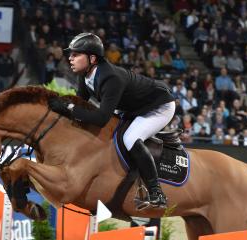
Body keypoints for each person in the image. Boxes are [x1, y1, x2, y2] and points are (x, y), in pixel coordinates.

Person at [47, 33, 175, 209]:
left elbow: (100, 118)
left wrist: (68, 108)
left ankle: (156, 193)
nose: (70, 58)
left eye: (76, 54)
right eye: (71, 54)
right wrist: (63, 109)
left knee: (129, 138)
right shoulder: (85, 75)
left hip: (159, 106)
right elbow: (80, 104)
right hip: (134, 107)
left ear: (92, 58)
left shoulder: (110, 77)